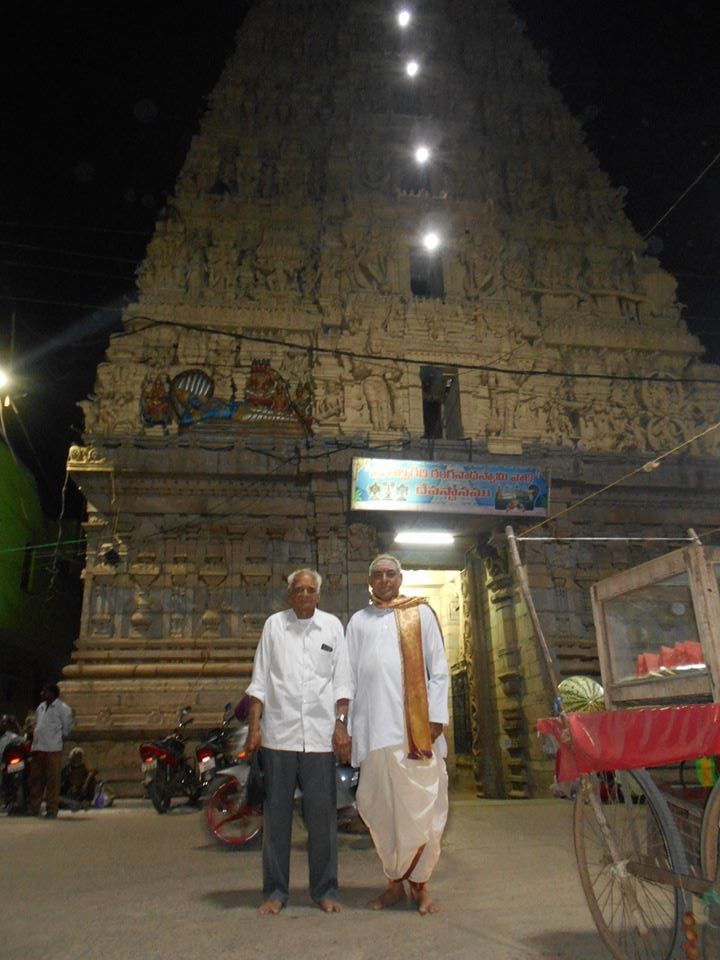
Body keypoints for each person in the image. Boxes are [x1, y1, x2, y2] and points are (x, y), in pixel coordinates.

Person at [244, 568, 351, 915]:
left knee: (322, 819)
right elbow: (259, 681)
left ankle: (325, 890)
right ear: (289, 594)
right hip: (279, 735)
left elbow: (342, 682)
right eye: (298, 589)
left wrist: (341, 725)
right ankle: (275, 891)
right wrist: (254, 728)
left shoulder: (332, 627)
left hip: (319, 737)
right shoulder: (274, 626)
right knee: (276, 819)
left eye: (310, 590)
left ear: (319, 595)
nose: (304, 595)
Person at [346, 554, 449, 915]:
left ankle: (420, 886)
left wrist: (435, 718)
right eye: (378, 575)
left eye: (391, 574)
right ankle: (393, 883)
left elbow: (439, 670)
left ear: (400, 578)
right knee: (380, 810)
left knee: (421, 810)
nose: (385, 579)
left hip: (414, 732)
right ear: (370, 581)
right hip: (373, 731)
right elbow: (348, 678)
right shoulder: (358, 621)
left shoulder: (420, 614)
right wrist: (346, 729)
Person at [28, 683, 74, 818]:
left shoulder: (62, 709)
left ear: (52, 693)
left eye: (45, 691)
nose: (42, 693)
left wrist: (57, 738)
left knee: (52, 781)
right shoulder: (41, 707)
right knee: (36, 780)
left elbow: (67, 727)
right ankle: (34, 808)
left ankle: (52, 809)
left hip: (52, 749)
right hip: (38, 748)